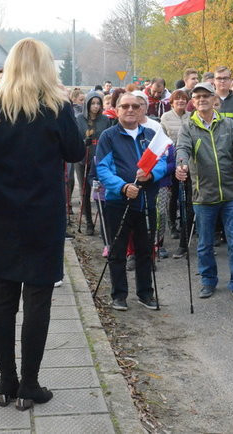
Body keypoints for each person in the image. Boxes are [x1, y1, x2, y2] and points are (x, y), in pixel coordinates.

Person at [0, 38, 83, 408]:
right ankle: (30, 384)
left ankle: (5, 382)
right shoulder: (56, 108)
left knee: (2, 297)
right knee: (38, 298)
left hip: (1, 214)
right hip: (42, 215)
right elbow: (75, 152)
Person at [175, 82, 233, 302]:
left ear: (214, 99)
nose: (202, 99)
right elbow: (182, 149)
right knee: (204, 243)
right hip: (203, 195)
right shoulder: (188, 126)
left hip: (231, 194)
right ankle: (208, 281)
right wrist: (181, 164)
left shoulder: (228, 124)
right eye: (197, 97)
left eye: (206, 96)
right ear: (193, 102)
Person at [95, 92, 166, 311]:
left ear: (143, 109)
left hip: (146, 201)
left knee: (145, 250)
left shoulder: (151, 135)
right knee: (117, 250)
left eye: (135, 106)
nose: (130, 110)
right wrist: (123, 187)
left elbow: (162, 161)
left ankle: (145, 293)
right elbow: (102, 169)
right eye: (125, 106)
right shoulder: (108, 136)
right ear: (117, 110)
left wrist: (152, 175)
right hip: (118, 202)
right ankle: (119, 295)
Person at [75, 91, 112, 236]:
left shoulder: (105, 120)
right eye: (93, 103)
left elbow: (108, 137)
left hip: (100, 159)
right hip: (83, 158)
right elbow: (75, 138)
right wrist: (83, 142)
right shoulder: (79, 119)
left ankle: (103, 221)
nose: (95, 106)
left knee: (100, 190)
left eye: (98, 103)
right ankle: (89, 223)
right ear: (87, 104)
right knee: (84, 192)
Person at [161, 89, 191, 251]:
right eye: (177, 99)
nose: (181, 102)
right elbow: (163, 139)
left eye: (183, 99)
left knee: (186, 195)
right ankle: (172, 224)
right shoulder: (166, 117)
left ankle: (186, 225)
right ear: (172, 102)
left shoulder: (191, 117)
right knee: (173, 196)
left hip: (187, 161)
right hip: (172, 160)